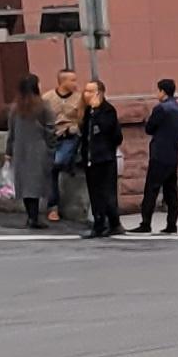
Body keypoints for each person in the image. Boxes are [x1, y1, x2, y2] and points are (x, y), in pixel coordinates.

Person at [137, 76, 178, 235]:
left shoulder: (161, 108)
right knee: (171, 191)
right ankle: (171, 224)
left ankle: (146, 223)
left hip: (159, 154)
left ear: (162, 91)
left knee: (151, 189)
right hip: (173, 155)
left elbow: (150, 128)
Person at [76, 79, 125, 239]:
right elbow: (84, 134)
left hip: (104, 158)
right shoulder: (87, 112)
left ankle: (111, 223)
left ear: (100, 93)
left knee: (107, 193)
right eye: (85, 91)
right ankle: (102, 224)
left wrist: (96, 112)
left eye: (91, 91)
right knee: (95, 193)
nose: (86, 94)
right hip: (90, 158)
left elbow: (113, 133)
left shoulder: (107, 111)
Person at [8, 73, 57, 230]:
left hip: (20, 149)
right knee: (36, 184)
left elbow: (11, 132)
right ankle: (35, 217)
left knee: (25, 185)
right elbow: (50, 129)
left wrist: (8, 151)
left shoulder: (15, 108)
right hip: (38, 149)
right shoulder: (43, 106)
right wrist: (51, 147)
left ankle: (31, 216)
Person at [47, 67, 85, 224]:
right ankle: (52, 207)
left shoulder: (79, 98)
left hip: (70, 136)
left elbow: (82, 120)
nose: (76, 83)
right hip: (52, 136)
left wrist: (73, 128)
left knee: (57, 162)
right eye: (72, 80)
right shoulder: (47, 98)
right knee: (50, 168)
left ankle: (69, 163)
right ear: (63, 81)